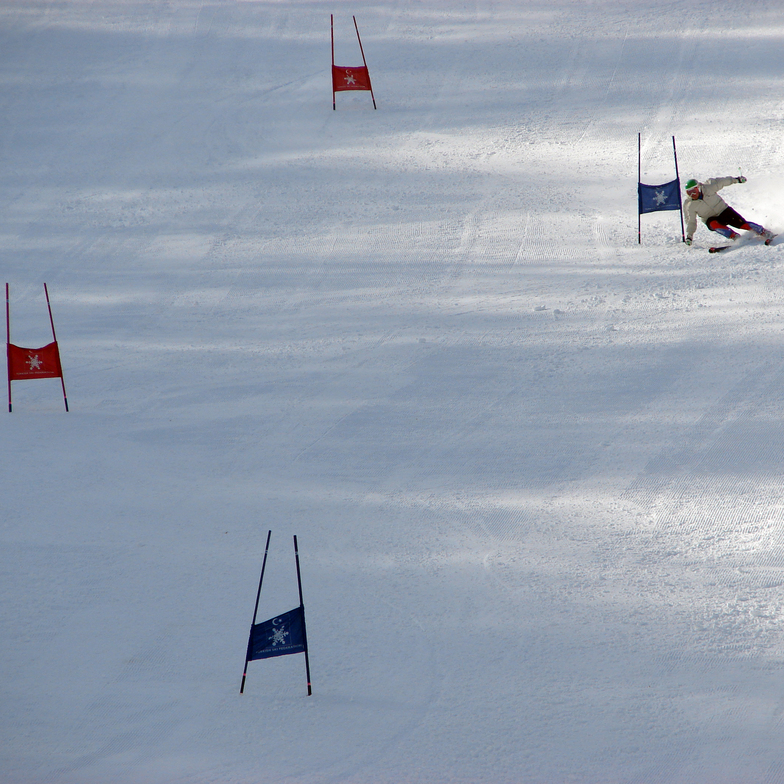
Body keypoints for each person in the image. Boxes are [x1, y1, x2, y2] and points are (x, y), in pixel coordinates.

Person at [683, 176, 774, 246]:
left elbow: (722, 182)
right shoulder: (690, 205)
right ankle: (735, 237)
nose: (692, 194)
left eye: (694, 191)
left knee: (742, 224)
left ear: (698, 187)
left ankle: (764, 232)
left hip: (723, 210)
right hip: (710, 218)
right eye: (689, 192)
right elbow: (691, 222)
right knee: (713, 224)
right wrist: (689, 237)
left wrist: (736, 180)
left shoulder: (708, 187)